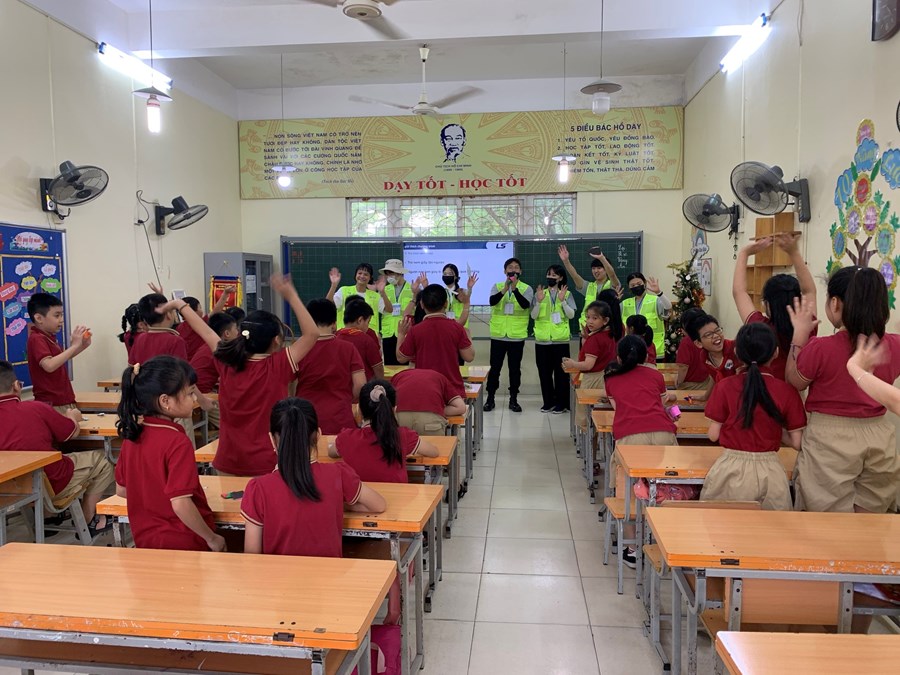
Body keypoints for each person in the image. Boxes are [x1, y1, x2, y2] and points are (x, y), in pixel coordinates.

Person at [165, 274, 319, 476]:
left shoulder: (227, 360)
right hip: (268, 463)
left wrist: (179, 305)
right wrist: (291, 296)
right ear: (276, 340)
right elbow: (312, 334)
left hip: (228, 460)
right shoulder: (278, 365)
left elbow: (206, 332)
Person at [787, 267, 900, 513]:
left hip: (830, 438)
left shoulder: (820, 348)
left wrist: (799, 335)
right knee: (872, 514)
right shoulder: (894, 345)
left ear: (835, 303)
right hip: (880, 435)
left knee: (828, 520)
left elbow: (794, 381)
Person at [241, 397, 386, 557]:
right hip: (331, 573)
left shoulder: (258, 489)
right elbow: (379, 505)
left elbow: (251, 557)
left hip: (279, 574)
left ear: (272, 440)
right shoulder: (338, 474)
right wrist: (341, 504)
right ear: (318, 435)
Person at [115, 356, 224, 552]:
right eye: (190, 393)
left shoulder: (132, 436)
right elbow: (180, 503)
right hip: (184, 540)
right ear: (165, 401)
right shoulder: (177, 442)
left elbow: (122, 490)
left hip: (145, 540)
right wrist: (211, 538)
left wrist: (154, 499)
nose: (194, 400)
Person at [0, 360, 114, 538]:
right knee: (104, 460)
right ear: (16, 386)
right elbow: (69, 433)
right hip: (50, 484)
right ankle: (89, 520)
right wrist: (72, 416)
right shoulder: (34, 408)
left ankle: (48, 517)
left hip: (9, 490)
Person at [701, 323, 806, 510]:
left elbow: (713, 435)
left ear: (737, 353)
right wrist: (774, 429)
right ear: (775, 352)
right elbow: (797, 443)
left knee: (724, 525)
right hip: (771, 472)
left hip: (731, 470)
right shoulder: (787, 391)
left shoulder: (724, 386)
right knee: (772, 527)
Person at [603, 335, 680, 566]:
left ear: (618, 357)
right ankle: (667, 542)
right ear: (646, 356)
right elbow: (661, 402)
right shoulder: (655, 375)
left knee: (628, 489)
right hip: (663, 432)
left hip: (630, 435)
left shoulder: (611, 379)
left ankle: (632, 548)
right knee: (667, 486)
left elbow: (618, 407)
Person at [733, 233, 817, 379]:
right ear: (798, 300)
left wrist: (744, 253)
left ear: (767, 304)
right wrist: (794, 252)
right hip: (794, 391)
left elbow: (739, 292)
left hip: (761, 387)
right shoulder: (808, 326)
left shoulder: (761, 327)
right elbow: (809, 290)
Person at [331, 379, 439, 485]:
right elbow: (434, 452)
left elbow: (331, 452)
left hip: (359, 496)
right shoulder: (402, 435)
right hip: (397, 496)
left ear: (359, 410)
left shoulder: (346, 438)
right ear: (394, 410)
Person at [295, 299, 366, 434]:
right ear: (334, 323)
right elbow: (360, 385)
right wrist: (346, 398)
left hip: (305, 420)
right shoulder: (348, 348)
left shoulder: (298, 349)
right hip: (340, 419)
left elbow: (289, 385)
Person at [396, 284, 474, 400]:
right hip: (453, 391)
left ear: (422, 304)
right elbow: (469, 356)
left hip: (426, 389)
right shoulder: (456, 328)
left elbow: (401, 358)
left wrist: (401, 334)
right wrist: (468, 335)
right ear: (446, 304)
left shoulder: (415, 330)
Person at [25, 292, 89, 415]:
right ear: (39, 318)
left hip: (63, 400)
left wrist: (82, 345)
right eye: (57, 315)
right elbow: (49, 365)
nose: (61, 320)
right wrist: (74, 346)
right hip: (52, 403)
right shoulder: (36, 338)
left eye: (61, 315)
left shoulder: (48, 337)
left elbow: (60, 360)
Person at [484, 257, 533, 412]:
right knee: (494, 369)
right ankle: (490, 398)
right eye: (510, 267)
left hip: (516, 336)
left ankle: (513, 399)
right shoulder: (497, 286)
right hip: (498, 334)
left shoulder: (526, 288)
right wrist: (505, 289)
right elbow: (492, 301)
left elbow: (525, 305)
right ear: (505, 271)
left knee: (515, 369)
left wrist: (515, 289)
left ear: (520, 271)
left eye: (516, 267)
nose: (513, 270)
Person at [563, 301, 619, 431]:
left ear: (605, 320)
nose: (589, 321)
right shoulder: (609, 334)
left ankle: (587, 438)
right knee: (601, 415)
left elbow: (588, 365)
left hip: (593, 380)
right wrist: (586, 339)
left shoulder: (595, 339)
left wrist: (573, 364)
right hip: (606, 378)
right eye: (588, 317)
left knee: (586, 417)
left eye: (595, 318)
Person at [531, 265, 576, 413]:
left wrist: (563, 301)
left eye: (554, 275)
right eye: (548, 275)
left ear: (560, 278)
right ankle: (548, 402)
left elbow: (571, 315)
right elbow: (533, 316)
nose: (550, 277)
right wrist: (538, 302)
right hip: (542, 340)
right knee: (544, 373)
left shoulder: (567, 294)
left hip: (560, 340)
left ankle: (562, 403)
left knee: (561, 374)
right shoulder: (540, 294)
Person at [557, 244, 620, 331]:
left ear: (606, 269)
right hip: (586, 329)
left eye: (599, 268)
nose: (596, 271)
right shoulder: (589, 287)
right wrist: (566, 261)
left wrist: (602, 258)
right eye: (593, 268)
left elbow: (612, 275)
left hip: (605, 328)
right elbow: (575, 275)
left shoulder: (612, 285)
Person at [392, 368, 466, 435]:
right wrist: (438, 408)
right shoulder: (439, 377)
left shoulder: (398, 376)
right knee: (435, 446)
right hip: (430, 420)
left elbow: (387, 404)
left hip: (400, 418)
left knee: (398, 445)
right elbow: (461, 407)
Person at [326, 262, 392, 333]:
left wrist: (382, 292)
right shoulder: (344, 290)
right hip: (346, 335)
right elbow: (328, 305)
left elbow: (389, 310)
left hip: (369, 336)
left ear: (370, 278)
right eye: (360, 273)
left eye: (366, 274)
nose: (362, 276)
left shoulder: (375, 296)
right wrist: (333, 285)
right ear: (355, 275)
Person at [128, 292, 188, 365]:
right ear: (168, 314)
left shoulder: (139, 338)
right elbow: (181, 370)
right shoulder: (175, 341)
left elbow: (132, 366)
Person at [620, 272, 671, 357]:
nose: (636, 286)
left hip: (653, 350)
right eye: (633, 285)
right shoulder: (624, 304)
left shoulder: (655, 300)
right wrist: (614, 302)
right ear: (629, 287)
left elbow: (668, 307)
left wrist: (659, 293)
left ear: (644, 283)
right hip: (630, 351)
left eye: (639, 283)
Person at [176, 288, 234, 361]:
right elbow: (216, 310)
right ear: (193, 311)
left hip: (184, 362)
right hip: (198, 360)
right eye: (200, 307)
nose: (202, 310)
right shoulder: (200, 323)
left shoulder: (179, 327)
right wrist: (225, 293)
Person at [335, 298, 384, 381]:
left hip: (339, 385)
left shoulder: (335, 336)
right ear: (360, 320)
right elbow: (378, 367)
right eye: (368, 322)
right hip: (364, 385)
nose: (368, 326)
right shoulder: (367, 340)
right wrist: (381, 383)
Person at [686, 313, 738, 389]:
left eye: (717, 330)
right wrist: (706, 395)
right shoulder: (704, 356)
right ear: (698, 343)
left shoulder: (735, 349)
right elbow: (714, 378)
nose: (716, 336)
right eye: (708, 335)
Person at [378, 259, 414, 366]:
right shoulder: (384, 289)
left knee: (404, 365)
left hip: (405, 333)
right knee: (389, 366)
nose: (389, 276)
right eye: (387, 273)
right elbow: (384, 309)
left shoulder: (412, 289)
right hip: (388, 333)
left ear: (400, 273)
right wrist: (382, 293)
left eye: (392, 272)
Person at [675, 308, 711, 390]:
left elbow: (683, 367)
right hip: (707, 383)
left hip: (690, 385)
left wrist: (679, 382)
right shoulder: (707, 337)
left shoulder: (686, 342)